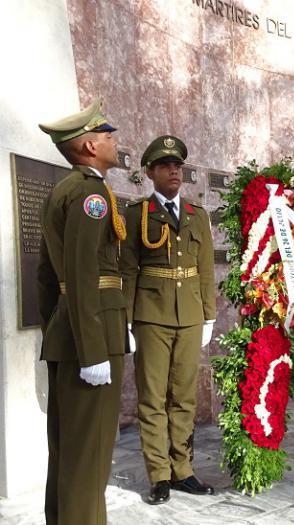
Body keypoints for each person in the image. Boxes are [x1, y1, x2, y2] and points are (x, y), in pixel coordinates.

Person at [37, 98, 127, 525]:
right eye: (108, 136)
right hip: (90, 340)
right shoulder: (91, 195)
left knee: (70, 450)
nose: (114, 141)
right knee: (88, 456)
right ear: (90, 146)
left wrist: (58, 330)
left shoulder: (64, 190)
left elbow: (45, 278)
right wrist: (91, 349)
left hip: (72, 333)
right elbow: (83, 271)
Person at [120, 136, 216, 504]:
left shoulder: (197, 216)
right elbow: (128, 269)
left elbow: (205, 269)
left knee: (184, 397)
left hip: (190, 315)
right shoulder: (135, 215)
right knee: (153, 398)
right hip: (151, 317)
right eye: (165, 166)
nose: (174, 170)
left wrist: (208, 315)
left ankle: (183, 470)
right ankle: (159, 475)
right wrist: (127, 321)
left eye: (178, 165)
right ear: (149, 172)